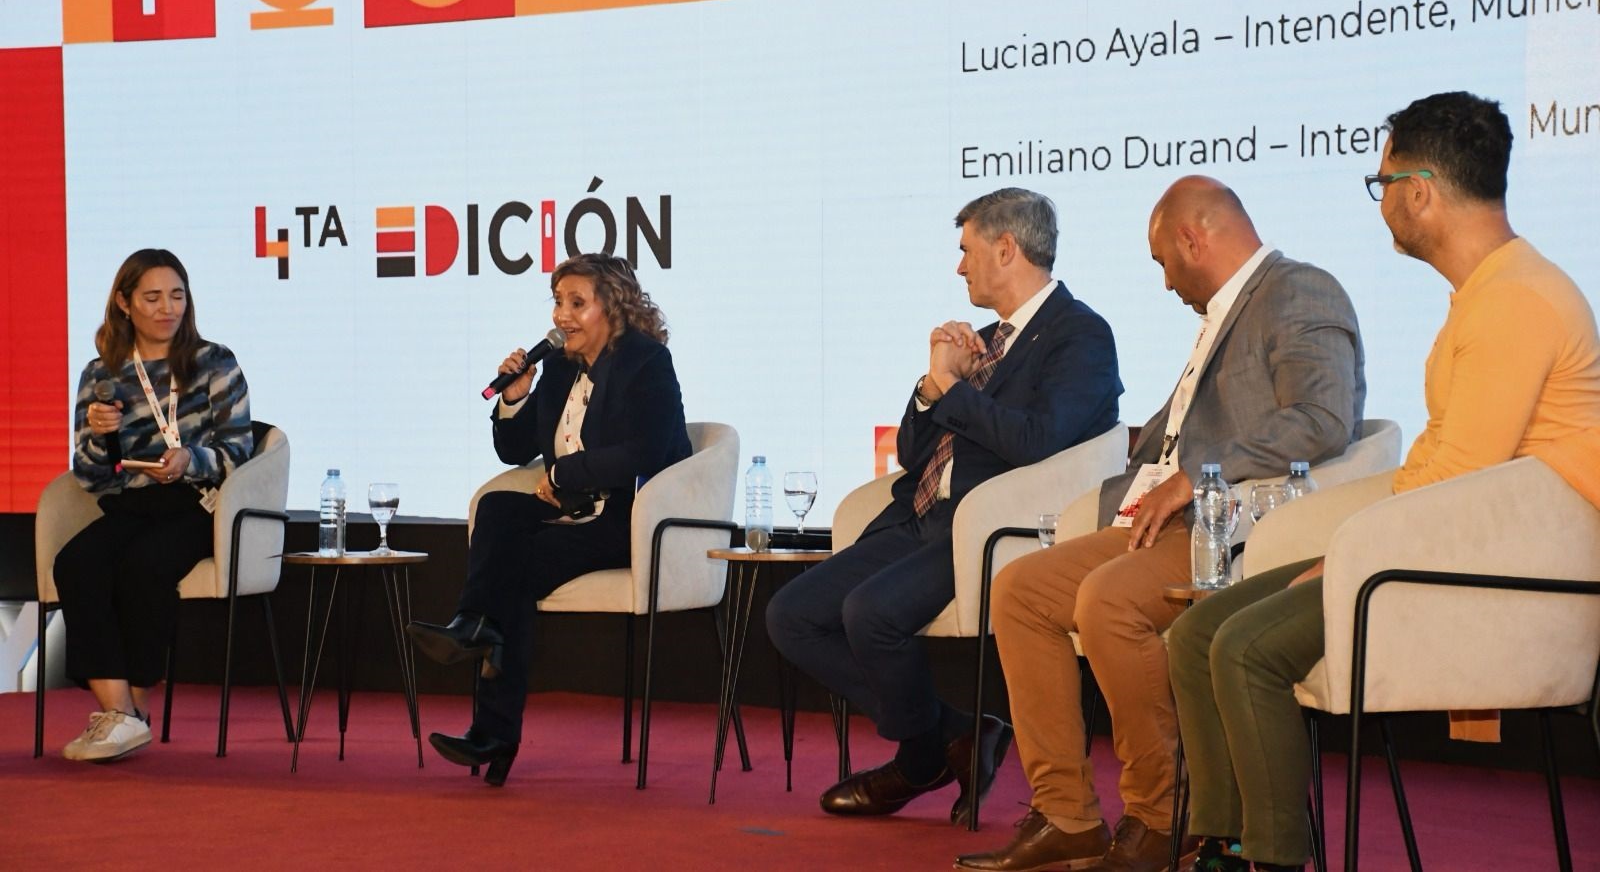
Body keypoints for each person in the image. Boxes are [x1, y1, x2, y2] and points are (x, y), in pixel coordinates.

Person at [1166, 91, 1600, 872]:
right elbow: (1443, 465)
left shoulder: (1517, 299)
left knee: (1244, 649)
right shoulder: (1488, 292)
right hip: (1446, 547)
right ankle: (1223, 844)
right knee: (1199, 633)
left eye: (1383, 183)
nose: (1382, 203)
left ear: (1420, 191)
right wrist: (1344, 552)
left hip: (1492, 576)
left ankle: (1273, 859)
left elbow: (1462, 477)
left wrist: (1350, 560)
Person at [958, 177, 1366, 872]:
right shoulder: (1222, 314)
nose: (1166, 282)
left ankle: (1160, 814)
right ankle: (1066, 815)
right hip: (1163, 520)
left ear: (1192, 239)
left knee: (1107, 601)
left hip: (1232, 528)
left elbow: (1320, 420)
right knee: (1021, 589)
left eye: (1163, 262)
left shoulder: (1299, 291)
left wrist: (1196, 471)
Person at [766, 187, 1123, 824]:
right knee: (790, 616)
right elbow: (911, 451)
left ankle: (919, 761)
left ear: (1005, 249)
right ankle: (951, 734)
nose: (959, 267)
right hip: (920, 516)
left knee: (869, 612)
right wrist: (931, 384)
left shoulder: (1080, 335)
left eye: (967, 250)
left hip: (987, 529)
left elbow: (1037, 441)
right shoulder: (981, 340)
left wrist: (952, 386)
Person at [408, 253, 691, 786]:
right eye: (558, 301)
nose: (561, 315)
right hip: (571, 509)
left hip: (626, 518)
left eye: (576, 303)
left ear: (613, 307)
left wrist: (563, 474)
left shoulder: (646, 361)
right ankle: (474, 629)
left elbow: (646, 451)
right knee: (497, 509)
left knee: (513, 567)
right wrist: (514, 400)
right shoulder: (560, 366)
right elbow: (515, 450)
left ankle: (489, 710)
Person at [55, 248, 254, 763]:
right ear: (124, 303)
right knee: (75, 562)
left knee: (145, 566)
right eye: (152, 297)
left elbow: (239, 451)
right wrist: (99, 437)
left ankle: (129, 715)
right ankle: (120, 713)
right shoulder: (102, 373)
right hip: (132, 503)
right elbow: (91, 476)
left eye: (177, 296)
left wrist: (190, 459)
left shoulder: (214, 362)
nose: (168, 308)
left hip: (199, 504)